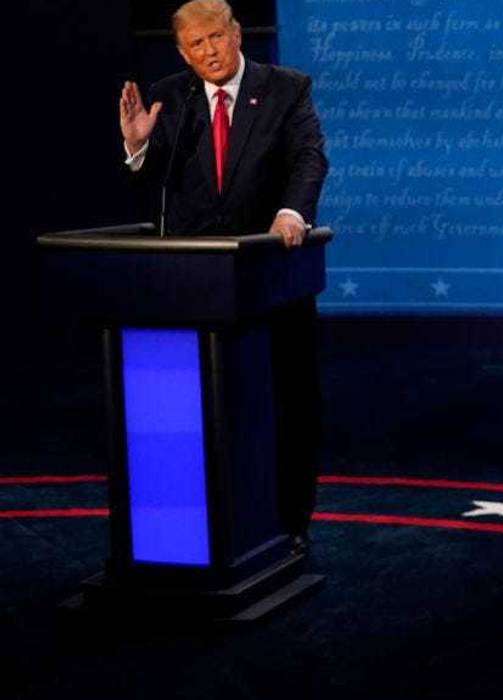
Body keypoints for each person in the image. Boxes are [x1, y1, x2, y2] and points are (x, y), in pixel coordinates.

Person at [117, 0, 329, 548]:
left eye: (216, 37)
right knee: (204, 410)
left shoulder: (286, 87)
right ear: (182, 51)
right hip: (192, 286)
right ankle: (208, 527)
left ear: (237, 33)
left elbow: (309, 158)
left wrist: (292, 212)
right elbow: (152, 185)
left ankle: (290, 526)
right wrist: (139, 146)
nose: (209, 52)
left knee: (286, 403)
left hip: (269, 274)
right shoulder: (170, 94)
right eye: (195, 45)